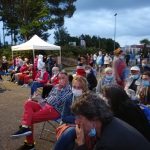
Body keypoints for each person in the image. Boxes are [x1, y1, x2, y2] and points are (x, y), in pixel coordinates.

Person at [11, 72, 73, 150]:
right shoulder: (56, 86)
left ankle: (30, 144)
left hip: (55, 110)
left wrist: (59, 90)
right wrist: (40, 99)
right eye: (59, 78)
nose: (60, 80)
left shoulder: (69, 91)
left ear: (68, 79)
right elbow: (49, 97)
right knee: (28, 103)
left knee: (29, 119)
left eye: (63, 78)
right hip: (45, 105)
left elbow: (57, 101)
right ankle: (25, 127)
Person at [71, 92, 150, 150]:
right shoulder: (113, 121)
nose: (76, 122)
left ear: (94, 118)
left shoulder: (106, 144)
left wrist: (80, 144)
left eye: (79, 117)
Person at [54, 76, 89, 150]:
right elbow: (64, 117)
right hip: (72, 125)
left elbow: (88, 118)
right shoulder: (69, 98)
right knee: (70, 143)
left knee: (70, 132)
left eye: (79, 88)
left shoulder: (89, 99)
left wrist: (76, 121)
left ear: (84, 89)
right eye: (74, 87)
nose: (76, 89)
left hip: (85, 126)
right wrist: (77, 120)